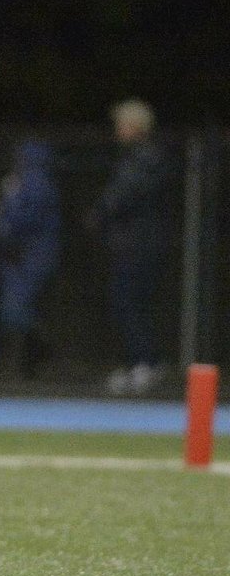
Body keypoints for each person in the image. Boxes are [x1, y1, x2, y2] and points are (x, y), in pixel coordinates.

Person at [86, 99, 170, 396]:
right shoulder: (143, 158)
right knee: (130, 303)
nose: (117, 130)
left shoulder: (143, 159)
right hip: (137, 243)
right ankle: (143, 363)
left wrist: (99, 213)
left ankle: (145, 364)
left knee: (129, 302)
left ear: (135, 126)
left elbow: (122, 196)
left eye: (122, 124)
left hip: (138, 245)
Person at [0, 139, 61, 379]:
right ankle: (27, 362)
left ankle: (33, 359)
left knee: (17, 309)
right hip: (29, 255)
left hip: (28, 255)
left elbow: (23, 220)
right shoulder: (37, 181)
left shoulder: (33, 183)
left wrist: (6, 210)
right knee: (22, 308)